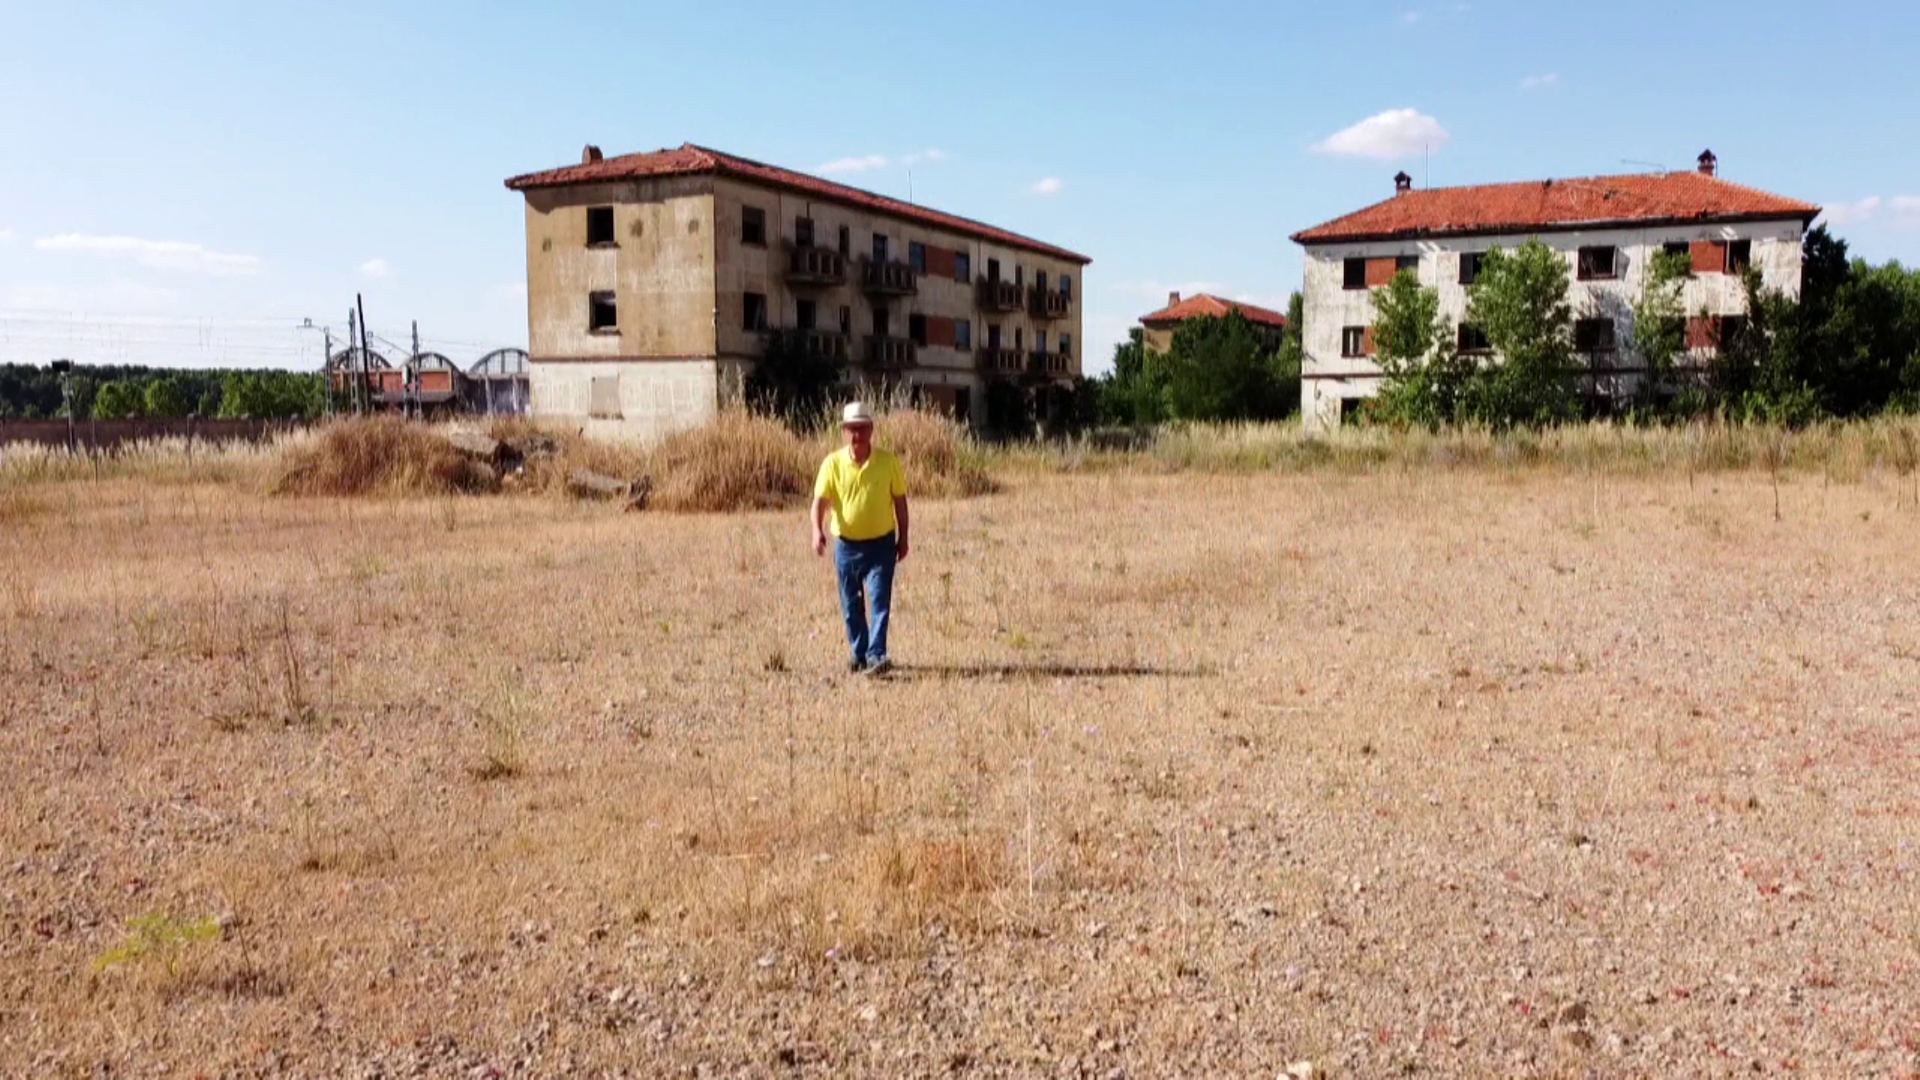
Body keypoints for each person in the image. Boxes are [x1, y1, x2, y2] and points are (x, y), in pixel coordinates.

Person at [811, 401, 909, 674]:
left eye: (862, 428)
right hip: (846, 546)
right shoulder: (832, 464)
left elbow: (900, 502)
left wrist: (904, 537)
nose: (857, 435)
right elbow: (819, 503)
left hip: (881, 545)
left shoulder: (888, 462)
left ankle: (877, 654)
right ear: (844, 431)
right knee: (851, 603)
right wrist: (817, 530)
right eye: (852, 429)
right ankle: (859, 653)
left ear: (871, 430)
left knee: (879, 600)